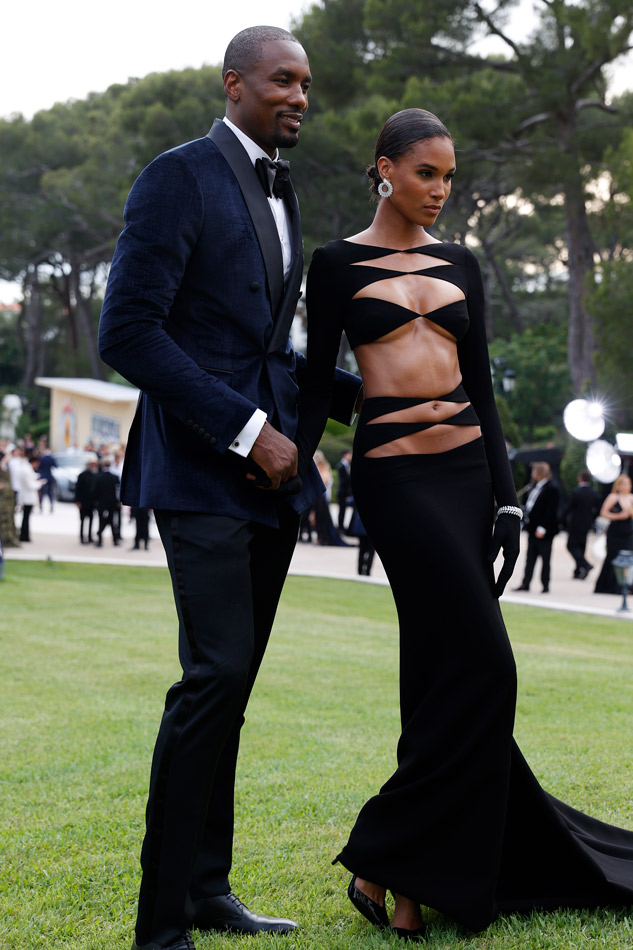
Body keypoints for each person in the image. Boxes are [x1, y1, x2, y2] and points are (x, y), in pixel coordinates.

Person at [296, 108, 633, 939]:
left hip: (464, 478)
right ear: (384, 170)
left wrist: (509, 493)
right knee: (487, 667)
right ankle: (380, 850)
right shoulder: (334, 265)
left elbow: (478, 386)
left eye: (449, 176)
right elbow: (311, 383)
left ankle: (411, 885)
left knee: (441, 673)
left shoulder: (462, 264)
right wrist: (294, 472)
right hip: (393, 482)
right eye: (425, 174)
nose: (441, 190)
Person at [98, 25, 360, 950]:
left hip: (270, 482)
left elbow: (267, 349)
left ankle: (209, 889)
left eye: (306, 83)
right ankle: (159, 928)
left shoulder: (283, 191)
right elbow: (127, 332)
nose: (299, 95)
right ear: (234, 83)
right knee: (211, 678)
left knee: (234, 684)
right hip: (202, 469)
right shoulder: (178, 175)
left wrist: (377, 399)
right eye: (283, 80)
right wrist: (249, 431)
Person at [513, 461, 560, 593]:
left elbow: (551, 511)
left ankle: (545, 585)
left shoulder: (552, 488)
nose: (532, 473)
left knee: (545, 559)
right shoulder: (533, 487)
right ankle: (525, 583)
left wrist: (542, 528)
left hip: (544, 530)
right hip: (532, 528)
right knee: (530, 558)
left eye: (534, 471)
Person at [594, 473, 633, 594]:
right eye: (623, 484)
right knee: (612, 556)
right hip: (615, 531)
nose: (626, 486)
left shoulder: (631, 498)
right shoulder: (613, 497)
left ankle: (624, 586)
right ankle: (606, 586)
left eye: (627, 484)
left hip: (628, 532)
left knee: (627, 558)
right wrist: (618, 516)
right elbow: (603, 513)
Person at [564, 468, 600, 579]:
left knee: (571, 545)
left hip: (575, 523)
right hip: (587, 524)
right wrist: (592, 519)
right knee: (581, 547)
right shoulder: (593, 493)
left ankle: (585, 565)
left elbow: (569, 508)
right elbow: (598, 509)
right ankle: (578, 571)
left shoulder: (576, 492)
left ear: (580, 478)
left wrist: (561, 519)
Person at [94, 456, 121, 547]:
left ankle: (100, 540)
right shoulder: (114, 477)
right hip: (112, 502)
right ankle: (115, 540)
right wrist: (118, 501)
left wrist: (96, 501)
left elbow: (95, 491)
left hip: (101, 502)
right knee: (113, 521)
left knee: (101, 521)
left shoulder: (98, 477)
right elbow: (118, 491)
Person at [18, 455, 45, 542]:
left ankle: (25, 535)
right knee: (26, 517)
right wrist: (39, 484)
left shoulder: (27, 469)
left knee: (26, 517)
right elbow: (30, 485)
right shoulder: (26, 470)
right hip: (27, 497)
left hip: (27, 497)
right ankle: (24, 536)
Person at [74, 455, 99, 544]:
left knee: (91, 520)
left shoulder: (96, 475)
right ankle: (81, 537)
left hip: (92, 502)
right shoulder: (82, 475)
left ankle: (89, 536)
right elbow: (77, 489)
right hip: (83, 501)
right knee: (83, 520)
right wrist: (77, 501)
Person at [335, 449, 353, 532]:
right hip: (342, 492)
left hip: (344, 492)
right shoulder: (341, 465)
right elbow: (344, 481)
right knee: (342, 510)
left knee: (343, 510)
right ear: (345, 455)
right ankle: (340, 527)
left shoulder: (346, 465)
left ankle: (341, 526)